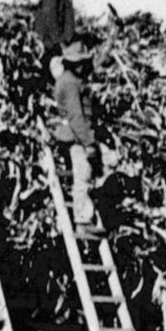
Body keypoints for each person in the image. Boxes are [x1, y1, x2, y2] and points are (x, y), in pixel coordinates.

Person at [50, 36, 100, 228]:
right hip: (76, 136)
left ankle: (82, 216)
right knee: (83, 175)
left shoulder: (67, 79)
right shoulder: (71, 83)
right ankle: (83, 218)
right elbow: (76, 116)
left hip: (73, 134)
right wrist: (88, 142)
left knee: (82, 174)